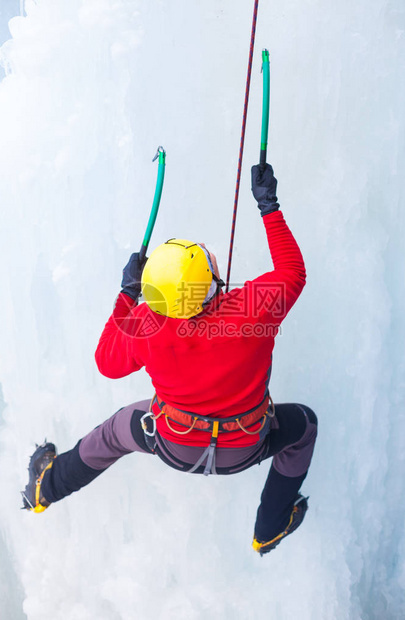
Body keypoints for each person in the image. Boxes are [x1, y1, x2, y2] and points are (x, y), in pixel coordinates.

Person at [22, 163, 317, 555]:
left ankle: (45, 488)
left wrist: (128, 294)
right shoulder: (252, 309)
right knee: (305, 426)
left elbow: (107, 362)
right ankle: (269, 528)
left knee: (114, 433)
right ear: (211, 282)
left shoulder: (147, 324)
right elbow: (293, 272)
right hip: (246, 446)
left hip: (175, 444)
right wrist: (269, 206)